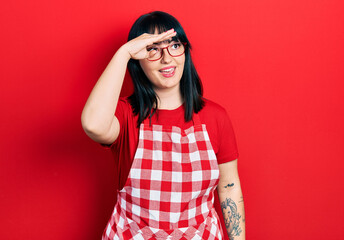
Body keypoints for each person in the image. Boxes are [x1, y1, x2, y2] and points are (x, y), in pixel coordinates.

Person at [81, 11, 245, 240]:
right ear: (139, 60)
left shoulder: (215, 116)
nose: (167, 59)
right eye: (153, 49)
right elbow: (93, 125)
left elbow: (229, 186)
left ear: (185, 52)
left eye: (174, 45)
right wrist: (124, 53)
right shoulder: (126, 115)